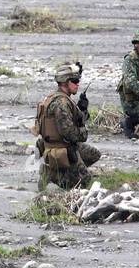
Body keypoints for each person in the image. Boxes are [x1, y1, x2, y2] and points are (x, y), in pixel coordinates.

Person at [34, 61, 100, 190]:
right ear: (65, 82)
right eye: (74, 81)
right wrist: (83, 132)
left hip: (60, 144)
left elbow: (67, 123)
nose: (77, 84)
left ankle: (65, 172)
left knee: (93, 154)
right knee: (84, 182)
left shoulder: (58, 98)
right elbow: (69, 132)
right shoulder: (61, 103)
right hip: (60, 147)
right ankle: (53, 174)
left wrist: (82, 111)